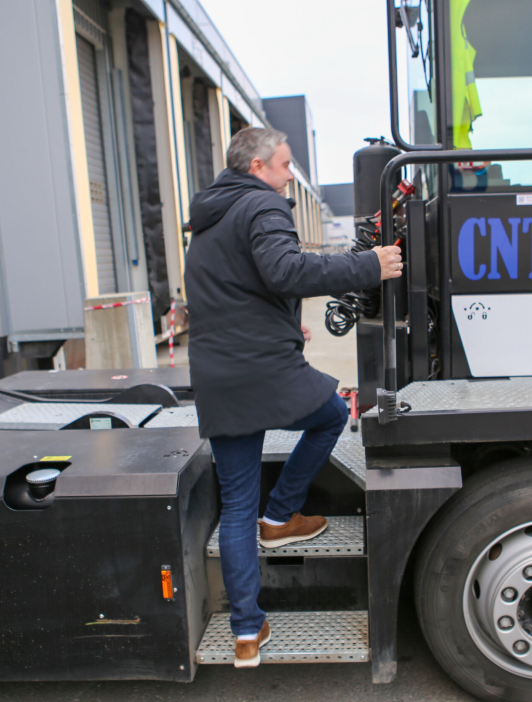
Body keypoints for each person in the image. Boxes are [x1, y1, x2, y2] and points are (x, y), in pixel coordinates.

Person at [185, 127, 402, 668]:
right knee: (332, 414)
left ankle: (245, 633)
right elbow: (284, 271)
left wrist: (284, 329)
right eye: (284, 166)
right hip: (261, 371)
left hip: (219, 373)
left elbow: (235, 290)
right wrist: (369, 265)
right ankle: (281, 515)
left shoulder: (211, 215)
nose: (288, 178)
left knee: (237, 506)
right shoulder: (263, 205)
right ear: (258, 166)